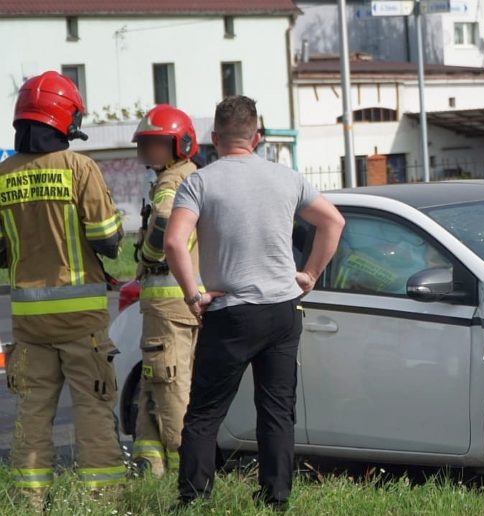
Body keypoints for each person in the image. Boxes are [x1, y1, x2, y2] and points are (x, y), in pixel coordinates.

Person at [164, 95, 344, 510]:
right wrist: (310, 274)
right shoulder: (288, 178)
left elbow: (173, 241)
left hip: (231, 313)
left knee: (205, 413)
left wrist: (194, 294)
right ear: (257, 136)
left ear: (214, 138)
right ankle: (275, 498)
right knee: (277, 410)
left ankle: (194, 499)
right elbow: (333, 221)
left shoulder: (200, 181)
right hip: (283, 311)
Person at [1, 71, 126, 508]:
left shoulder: (2, 175)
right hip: (82, 319)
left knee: (32, 414)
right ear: (63, 118)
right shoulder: (79, 167)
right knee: (92, 406)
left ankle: (28, 500)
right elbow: (108, 239)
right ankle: (102, 499)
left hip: (28, 322)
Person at [130, 104, 203, 477]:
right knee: (153, 391)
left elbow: (162, 222)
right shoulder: (185, 175)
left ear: (181, 144)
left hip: (168, 309)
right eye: (145, 143)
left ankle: (183, 479)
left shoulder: (172, 182)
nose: (147, 151)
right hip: (170, 310)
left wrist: (148, 253)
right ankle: (151, 476)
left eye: (155, 143)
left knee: (171, 392)